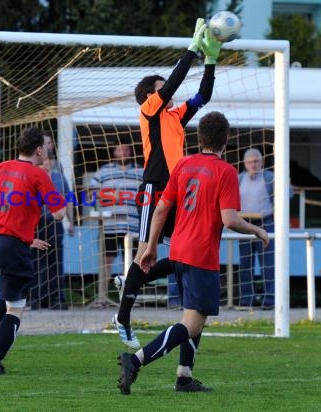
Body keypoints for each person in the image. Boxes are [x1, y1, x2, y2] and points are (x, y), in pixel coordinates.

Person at [117, 111, 269, 395]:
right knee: (191, 323)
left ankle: (184, 377)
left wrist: (151, 247)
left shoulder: (183, 164)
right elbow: (230, 220)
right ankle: (135, 361)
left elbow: (161, 209)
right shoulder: (225, 171)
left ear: (198, 138)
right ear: (226, 139)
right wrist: (257, 230)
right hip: (200, 255)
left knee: (195, 317)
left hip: (177, 250)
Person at [112, 18, 222, 349]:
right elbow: (172, 85)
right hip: (154, 189)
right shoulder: (150, 110)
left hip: (175, 193)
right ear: (151, 95)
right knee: (147, 249)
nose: (168, 91)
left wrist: (211, 58)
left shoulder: (174, 117)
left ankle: (133, 278)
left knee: (180, 255)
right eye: (161, 88)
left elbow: (203, 94)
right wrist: (191, 50)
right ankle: (123, 316)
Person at [0, 126, 66, 375]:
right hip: (10, 244)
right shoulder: (38, 174)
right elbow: (59, 214)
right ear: (38, 149)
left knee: (5, 293)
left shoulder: (0, 167)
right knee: (17, 305)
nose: (47, 150)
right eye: (45, 146)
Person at [89, 141, 143, 305]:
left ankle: (131, 297)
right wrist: (111, 195)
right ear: (114, 153)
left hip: (133, 225)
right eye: (119, 150)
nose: (123, 152)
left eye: (126, 149)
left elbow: (150, 192)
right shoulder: (104, 171)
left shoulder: (141, 171)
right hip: (109, 225)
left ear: (131, 151)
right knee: (106, 261)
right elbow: (91, 192)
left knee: (134, 262)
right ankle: (102, 297)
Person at [30, 132, 75, 310]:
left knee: (55, 261)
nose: (46, 163)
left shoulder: (59, 178)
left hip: (53, 223)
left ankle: (57, 298)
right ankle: (36, 298)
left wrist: (71, 222)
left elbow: (68, 200)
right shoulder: (31, 176)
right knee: (35, 261)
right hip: (34, 223)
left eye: (49, 161)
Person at [237, 148, 275, 308]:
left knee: (268, 263)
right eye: (250, 162)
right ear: (245, 163)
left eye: (256, 161)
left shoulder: (269, 177)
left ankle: (270, 300)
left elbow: (285, 196)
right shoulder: (239, 178)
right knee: (245, 264)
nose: (253, 164)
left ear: (262, 161)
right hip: (244, 224)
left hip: (265, 223)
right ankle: (246, 300)